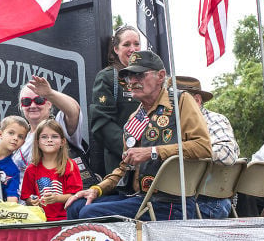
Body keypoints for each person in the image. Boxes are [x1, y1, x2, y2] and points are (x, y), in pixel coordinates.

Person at [67, 51, 212, 220]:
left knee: (88, 213)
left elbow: (203, 147)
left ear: (161, 76)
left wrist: (152, 151)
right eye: (129, 77)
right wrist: (97, 189)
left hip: (170, 201)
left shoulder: (181, 101)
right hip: (138, 198)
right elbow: (124, 166)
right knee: (76, 206)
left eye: (140, 75)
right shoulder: (135, 117)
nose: (133, 81)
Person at [176, 76, 240, 219]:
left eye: (176, 100)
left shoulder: (213, 120)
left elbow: (227, 153)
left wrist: (193, 151)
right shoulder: (166, 124)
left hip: (209, 201)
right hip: (178, 200)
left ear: (197, 101)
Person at [89, 25, 142, 175]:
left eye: (136, 44)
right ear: (116, 49)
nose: (133, 48)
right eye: (126, 44)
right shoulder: (108, 78)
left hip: (154, 159)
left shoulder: (151, 76)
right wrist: (132, 151)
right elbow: (102, 123)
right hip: (122, 165)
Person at [13, 76, 84, 176]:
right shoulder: (19, 138)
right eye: (26, 102)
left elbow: (74, 111)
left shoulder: (59, 126)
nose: (33, 106)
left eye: (39, 100)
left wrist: (49, 93)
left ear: (49, 103)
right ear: (21, 107)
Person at [20, 119, 83, 221]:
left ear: (62, 142)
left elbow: (76, 196)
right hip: (40, 221)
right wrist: (32, 201)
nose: (49, 140)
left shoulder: (70, 165)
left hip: (66, 220)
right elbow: (27, 197)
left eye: (54, 136)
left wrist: (57, 198)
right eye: (44, 137)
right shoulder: (31, 169)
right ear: (37, 142)